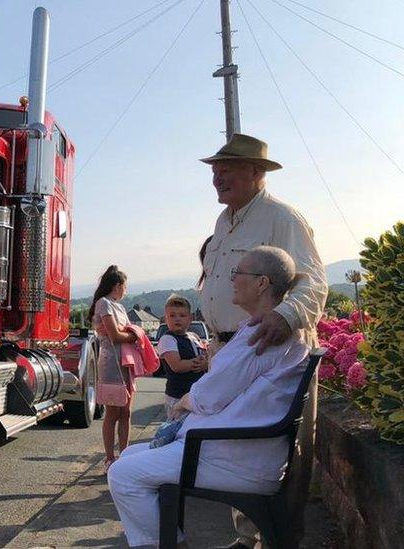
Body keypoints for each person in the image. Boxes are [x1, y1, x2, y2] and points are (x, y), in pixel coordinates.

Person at [108, 246, 311, 548]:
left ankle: (169, 544)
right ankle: (168, 541)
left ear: (261, 283)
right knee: (127, 457)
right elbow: (219, 388)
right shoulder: (265, 329)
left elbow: (209, 396)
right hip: (235, 448)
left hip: (232, 456)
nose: (231, 279)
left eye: (238, 272)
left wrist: (184, 401)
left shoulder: (264, 336)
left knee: (122, 474)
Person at [199, 134, 327, 549]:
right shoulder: (224, 222)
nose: (217, 177)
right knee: (238, 448)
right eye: (215, 170)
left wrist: (286, 315)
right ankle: (247, 536)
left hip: (268, 350)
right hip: (231, 350)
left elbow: (314, 284)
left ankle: (281, 539)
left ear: (256, 173)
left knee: (282, 452)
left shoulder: (281, 217)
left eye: (227, 168)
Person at [88, 265, 138, 471]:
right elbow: (116, 336)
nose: (126, 291)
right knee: (112, 412)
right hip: (110, 364)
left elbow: (119, 333)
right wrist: (135, 335)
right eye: (125, 287)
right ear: (118, 285)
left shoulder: (119, 307)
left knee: (125, 412)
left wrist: (128, 334)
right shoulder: (104, 303)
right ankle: (109, 458)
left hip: (125, 363)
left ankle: (124, 455)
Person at [156, 294, 208, 420]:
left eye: (182, 315)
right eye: (172, 316)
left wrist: (206, 363)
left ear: (190, 318)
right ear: (165, 319)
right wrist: (198, 364)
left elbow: (205, 356)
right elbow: (177, 366)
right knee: (179, 431)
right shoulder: (167, 339)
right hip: (177, 397)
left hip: (195, 395)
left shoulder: (194, 337)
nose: (177, 319)